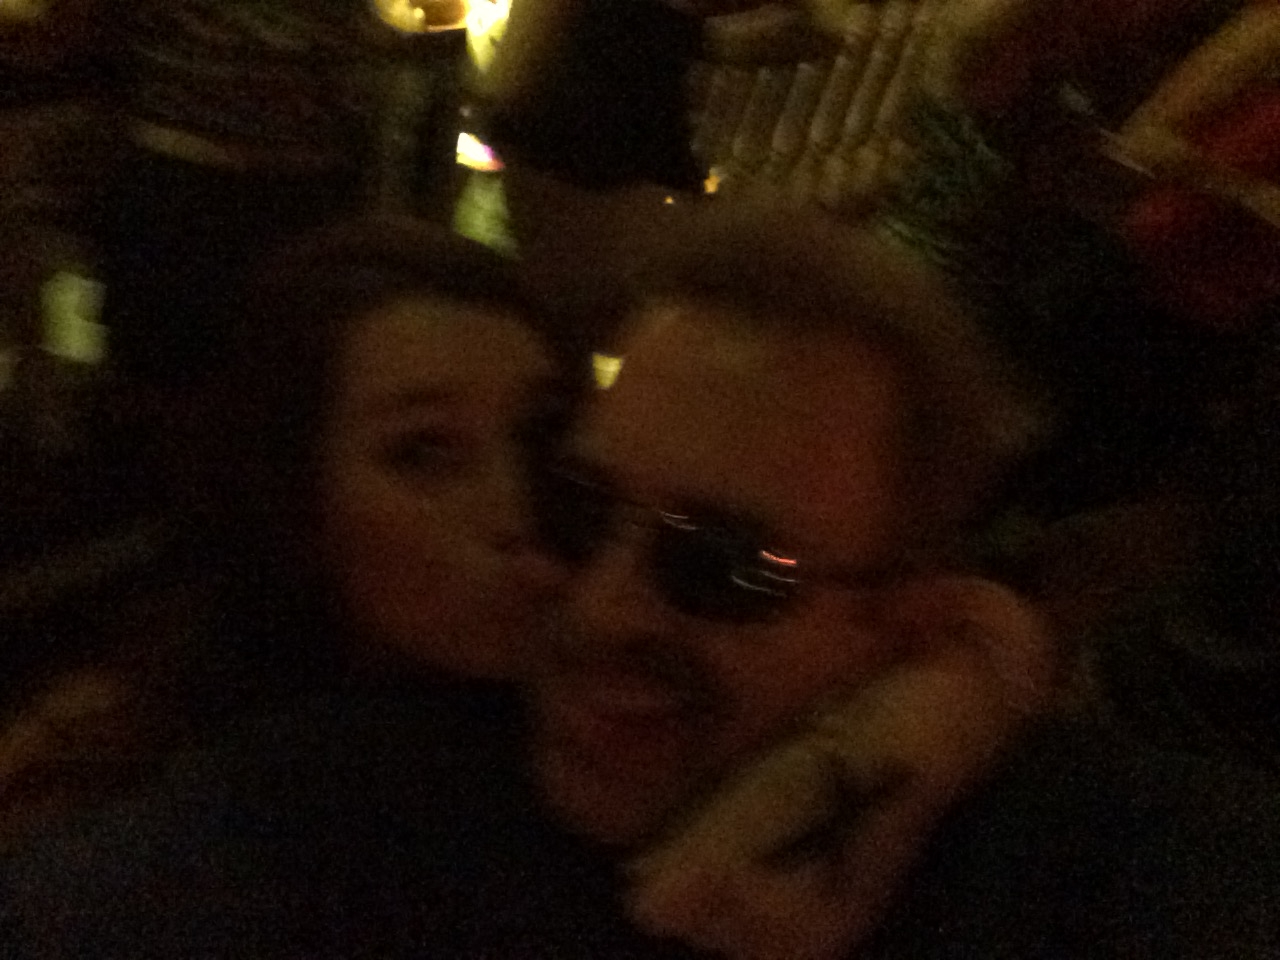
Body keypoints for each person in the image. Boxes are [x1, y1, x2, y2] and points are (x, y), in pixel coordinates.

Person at [6, 203, 1276, 959]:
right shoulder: (346, 783)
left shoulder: (1093, 859)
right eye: (582, 504)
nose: (597, 601)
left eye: (722, 564)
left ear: (896, 621)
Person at [0, 216, 571, 849]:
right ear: (296, 494)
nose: (516, 510)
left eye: (542, 433)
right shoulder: (109, 787)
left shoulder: (602, 758)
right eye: (425, 452)